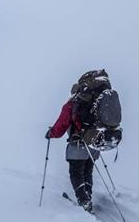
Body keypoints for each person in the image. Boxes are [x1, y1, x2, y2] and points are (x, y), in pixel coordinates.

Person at [46, 71, 112, 212]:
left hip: (78, 145)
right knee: (88, 171)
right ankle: (87, 197)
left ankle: (84, 201)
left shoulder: (71, 104)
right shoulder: (95, 102)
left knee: (76, 173)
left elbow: (60, 127)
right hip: (94, 143)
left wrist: (50, 133)